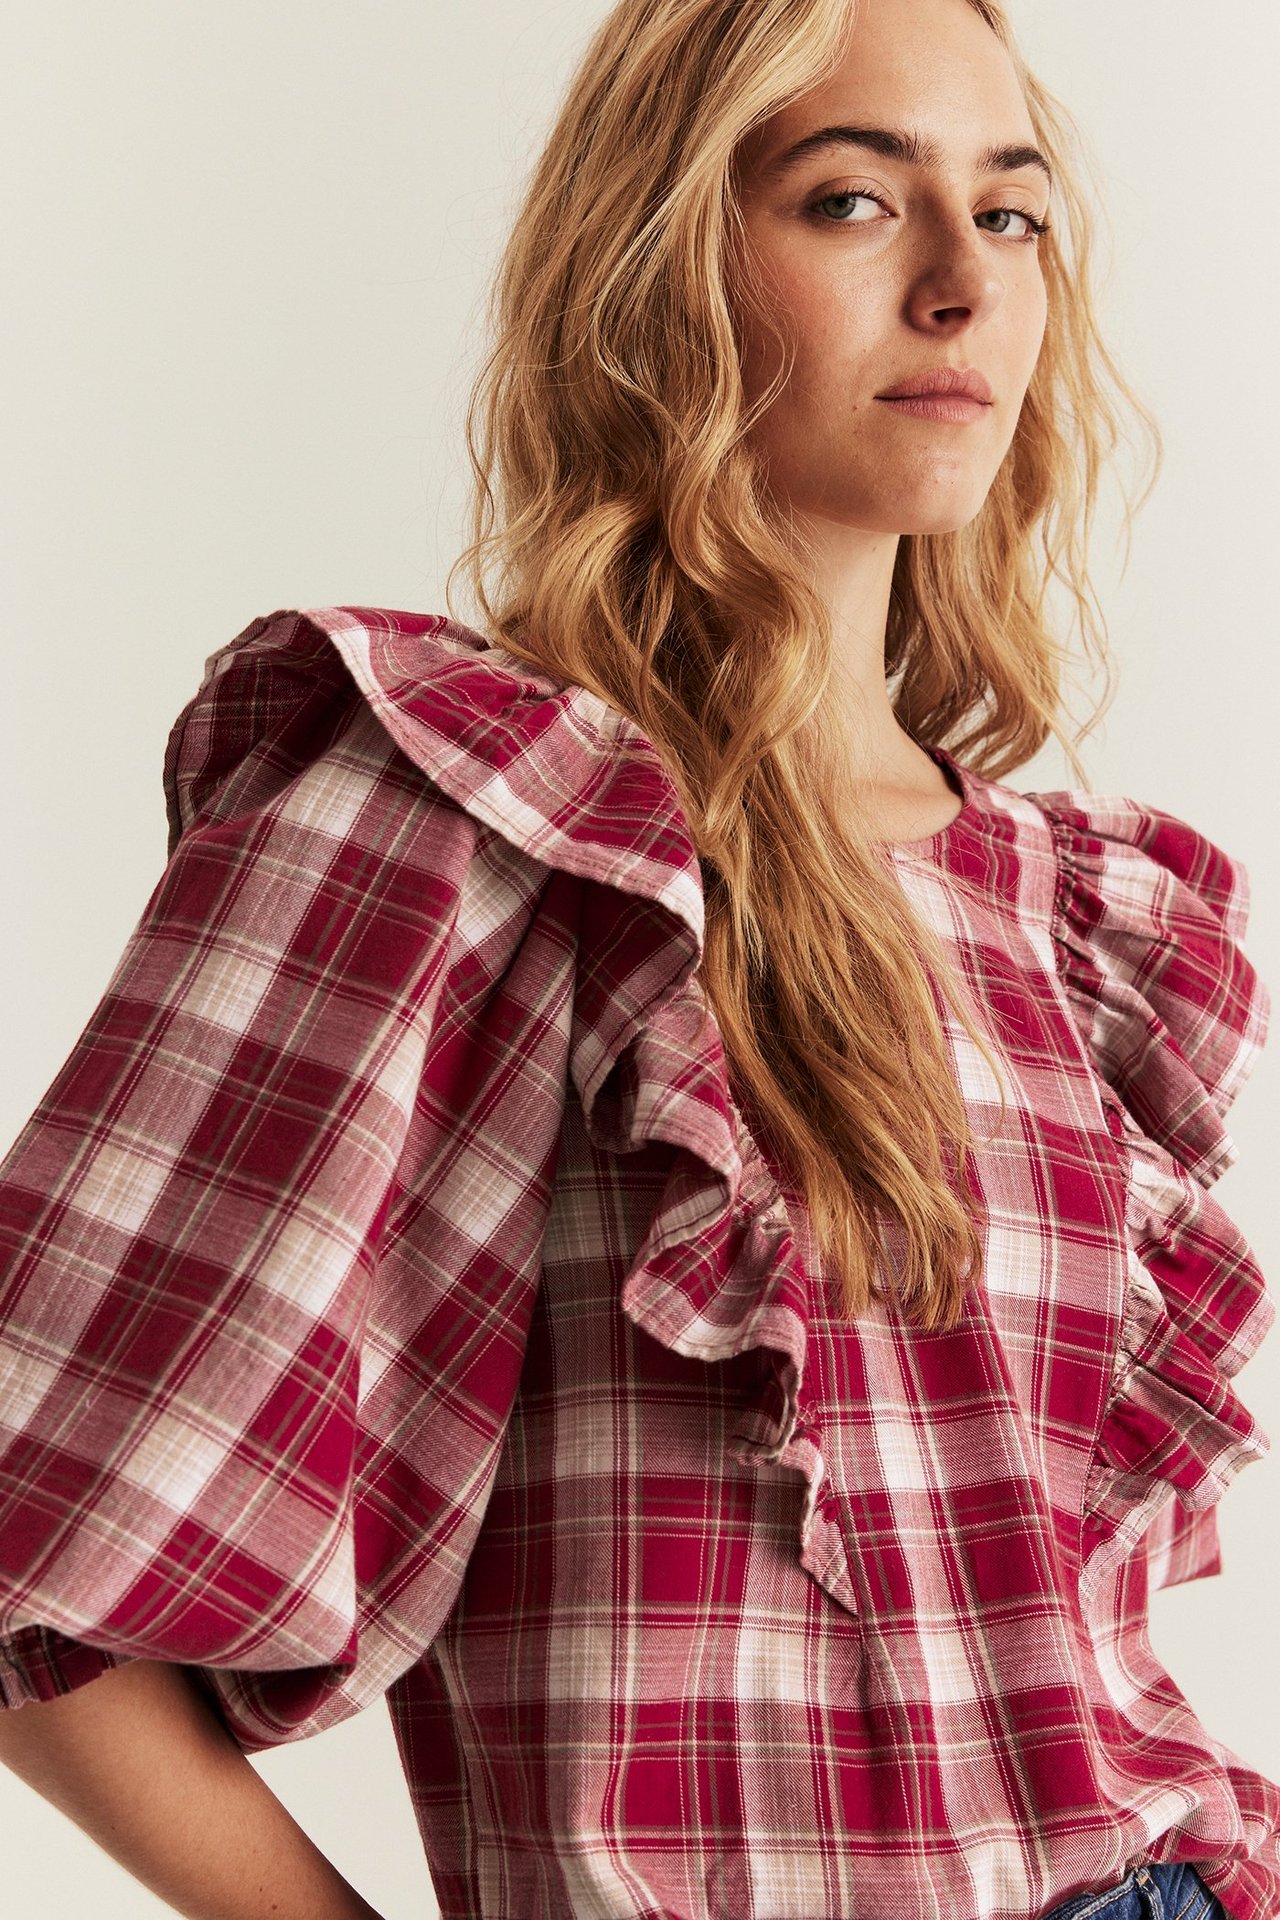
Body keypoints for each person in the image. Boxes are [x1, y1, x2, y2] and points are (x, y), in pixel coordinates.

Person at [0, 0, 1271, 1916]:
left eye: (1009, 217)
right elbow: (33, 1569)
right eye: (852, 199)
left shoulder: (1061, 903)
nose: (959, 288)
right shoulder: (472, 812)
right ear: (662, 266)